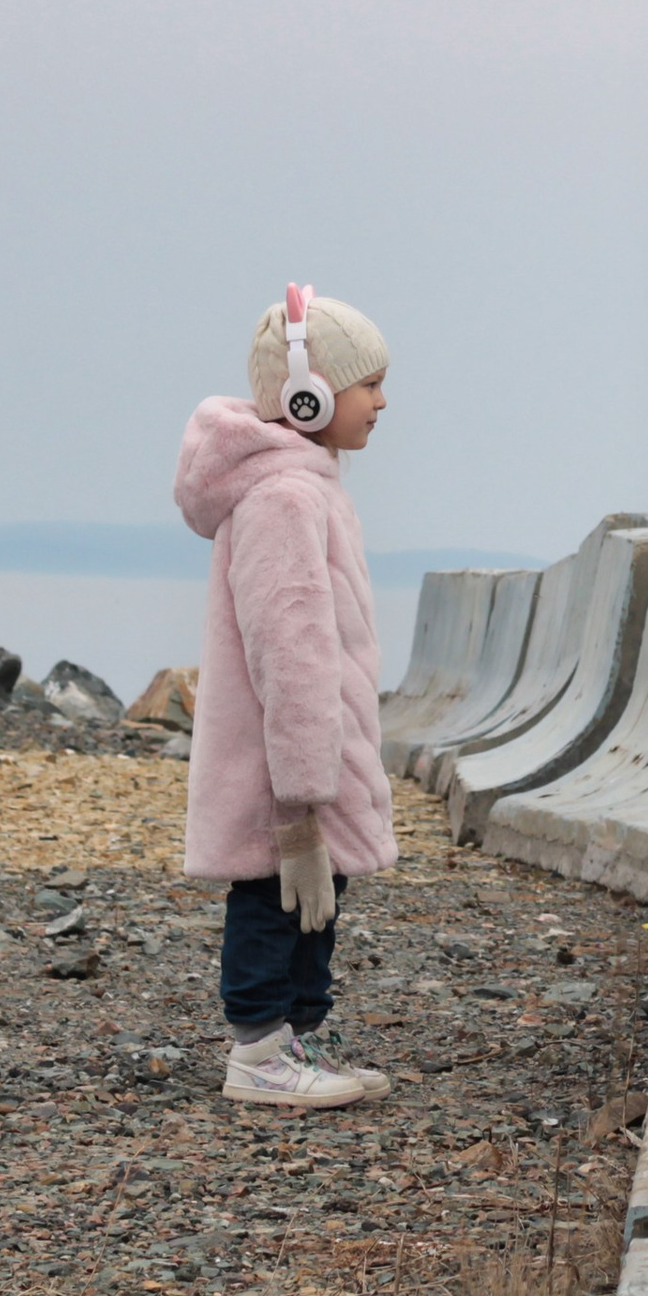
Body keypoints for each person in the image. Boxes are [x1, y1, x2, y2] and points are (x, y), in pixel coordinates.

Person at [174, 285, 398, 1107]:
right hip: (283, 759)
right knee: (273, 893)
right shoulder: (285, 498)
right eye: (367, 383)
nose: (382, 400)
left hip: (306, 753)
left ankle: (299, 1034)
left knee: (313, 900)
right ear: (307, 397)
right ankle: (258, 1050)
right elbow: (291, 647)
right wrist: (302, 794)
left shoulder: (307, 486)